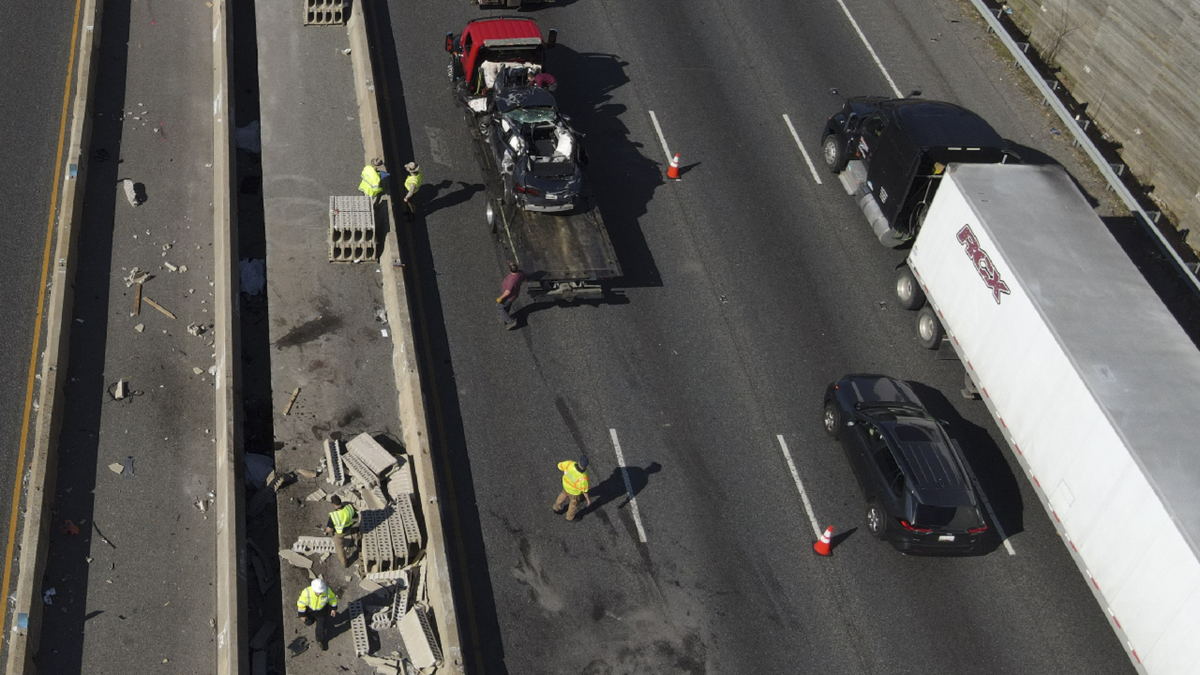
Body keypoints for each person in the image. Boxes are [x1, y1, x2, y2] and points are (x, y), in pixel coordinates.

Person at [296, 578, 338, 651]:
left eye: (321, 592)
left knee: (321, 627)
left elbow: (333, 599)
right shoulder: (306, 592)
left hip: (322, 612)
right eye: (318, 592)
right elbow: (301, 604)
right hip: (310, 611)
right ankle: (310, 620)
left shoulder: (327, 591)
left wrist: (333, 609)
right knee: (308, 622)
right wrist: (302, 615)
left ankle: (320, 639)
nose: (319, 593)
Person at [552, 455, 593, 521]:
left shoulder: (570, 464)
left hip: (566, 486)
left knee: (562, 496)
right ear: (585, 466)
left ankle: (556, 507)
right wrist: (588, 499)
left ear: (579, 462)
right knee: (573, 505)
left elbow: (560, 466)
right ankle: (569, 517)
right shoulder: (584, 477)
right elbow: (585, 491)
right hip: (575, 493)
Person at [323, 495, 357, 568]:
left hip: (340, 533)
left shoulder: (333, 516)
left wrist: (326, 531)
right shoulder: (349, 508)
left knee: (339, 547)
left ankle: (345, 563)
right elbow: (355, 516)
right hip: (349, 528)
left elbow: (329, 529)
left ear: (334, 505)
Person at [496, 262, 526, 330]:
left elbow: (508, 292)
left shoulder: (511, 280)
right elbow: (524, 279)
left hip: (508, 297)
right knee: (506, 306)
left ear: (510, 270)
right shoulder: (520, 273)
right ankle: (503, 316)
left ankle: (510, 322)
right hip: (514, 295)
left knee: (499, 307)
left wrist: (501, 298)